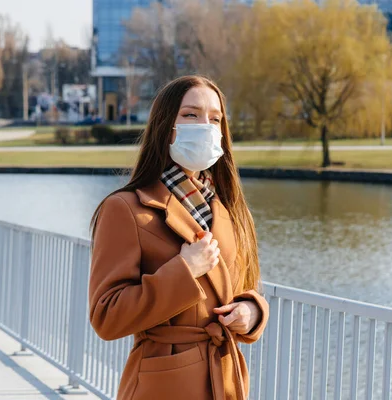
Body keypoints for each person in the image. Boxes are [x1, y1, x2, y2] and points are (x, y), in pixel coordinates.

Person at [88, 75, 269, 400]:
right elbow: (106, 316)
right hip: (164, 385)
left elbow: (245, 287)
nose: (206, 126)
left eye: (215, 118)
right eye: (191, 115)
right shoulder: (126, 209)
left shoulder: (229, 208)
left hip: (224, 378)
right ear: (165, 125)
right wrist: (184, 270)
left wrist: (251, 312)